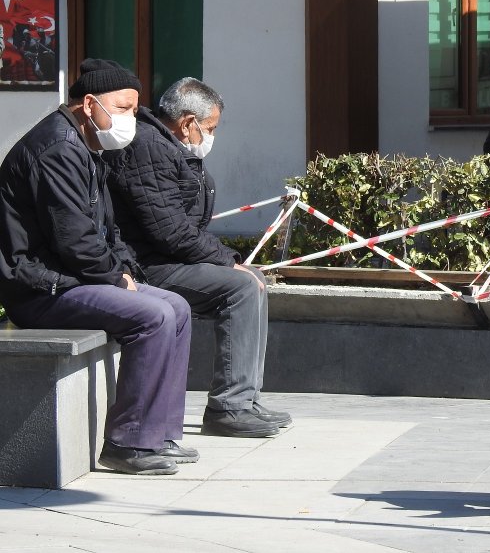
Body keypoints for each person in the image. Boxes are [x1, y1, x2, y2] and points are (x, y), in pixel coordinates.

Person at [0, 59, 195, 475]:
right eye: (122, 109)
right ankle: (128, 443)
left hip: (71, 280)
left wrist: (124, 270)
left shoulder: (86, 146)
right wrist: (114, 276)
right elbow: (76, 241)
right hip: (40, 290)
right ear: (89, 104)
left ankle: (159, 432)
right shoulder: (57, 149)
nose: (130, 119)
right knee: (154, 315)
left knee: (176, 308)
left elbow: (107, 230)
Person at [106, 77, 290, 439]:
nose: (210, 136)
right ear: (188, 123)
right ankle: (229, 407)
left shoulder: (168, 147)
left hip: (165, 259)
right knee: (240, 286)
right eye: (210, 128)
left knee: (252, 279)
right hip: (148, 265)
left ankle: (246, 398)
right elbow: (169, 230)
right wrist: (226, 261)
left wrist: (229, 261)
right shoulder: (149, 147)